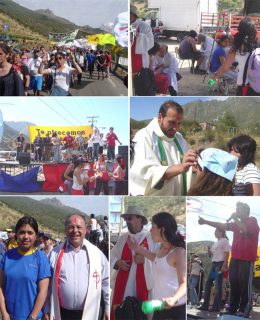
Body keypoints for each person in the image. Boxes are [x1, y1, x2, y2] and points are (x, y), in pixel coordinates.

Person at [198, 201, 259, 317]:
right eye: (236, 209)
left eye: (239, 209)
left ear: (245, 211)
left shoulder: (252, 221)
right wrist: (205, 222)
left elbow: (245, 230)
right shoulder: (236, 223)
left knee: (244, 284)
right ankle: (232, 308)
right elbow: (222, 225)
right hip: (235, 258)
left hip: (246, 259)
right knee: (234, 284)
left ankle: (244, 309)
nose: (236, 211)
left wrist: (235, 219)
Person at [44, 214, 109, 320]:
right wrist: (46, 309)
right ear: (65, 230)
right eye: (71, 227)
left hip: (90, 313)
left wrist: (107, 308)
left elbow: (106, 282)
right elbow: (48, 285)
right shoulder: (54, 254)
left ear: (85, 230)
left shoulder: (97, 254)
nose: (75, 231)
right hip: (62, 313)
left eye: (79, 227)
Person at [130, 100, 197, 196]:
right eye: (172, 122)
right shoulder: (144, 136)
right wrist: (181, 167)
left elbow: (187, 167)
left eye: (179, 123)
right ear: (160, 117)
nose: (175, 128)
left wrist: (193, 167)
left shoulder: (179, 138)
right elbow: (145, 174)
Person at [128, 212, 186, 320]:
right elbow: (157, 260)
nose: (150, 231)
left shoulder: (179, 252)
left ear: (162, 229)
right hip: (159, 309)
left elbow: (184, 283)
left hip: (175, 311)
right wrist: (138, 249)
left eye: (153, 227)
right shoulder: (161, 249)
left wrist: (174, 299)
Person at [110, 206, 156, 320]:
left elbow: (160, 260)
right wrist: (117, 262)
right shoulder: (123, 238)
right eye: (125, 219)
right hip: (123, 284)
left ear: (140, 219)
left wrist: (145, 260)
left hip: (144, 285)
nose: (127, 221)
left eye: (129, 218)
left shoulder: (152, 238)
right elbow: (112, 255)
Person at [0, 216, 51, 320]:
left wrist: (33, 317)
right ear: (16, 234)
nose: (26, 236)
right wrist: (4, 314)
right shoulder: (7, 256)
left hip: (32, 317)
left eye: (30, 233)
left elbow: (43, 291)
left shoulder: (41, 258)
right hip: (9, 316)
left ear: (36, 235)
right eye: (22, 232)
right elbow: (0, 286)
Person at [215, 17, 258, 96]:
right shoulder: (257, 45)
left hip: (245, 86)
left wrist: (215, 77)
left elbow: (224, 68)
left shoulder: (236, 48)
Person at [198, 229, 230, 312]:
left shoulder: (225, 240)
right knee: (208, 283)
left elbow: (227, 253)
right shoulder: (215, 243)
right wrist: (209, 250)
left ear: (221, 232)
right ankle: (205, 305)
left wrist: (224, 265)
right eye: (214, 232)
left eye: (216, 231)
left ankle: (216, 307)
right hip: (214, 264)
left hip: (220, 264)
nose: (215, 233)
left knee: (218, 286)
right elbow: (211, 255)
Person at [130, 5, 154, 75]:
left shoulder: (144, 25)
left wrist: (139, 36)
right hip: (130, 56)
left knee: (139, 80)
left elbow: (151, 42)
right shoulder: (125, 25)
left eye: (130, 14)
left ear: (134, 15)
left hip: (140, 57)